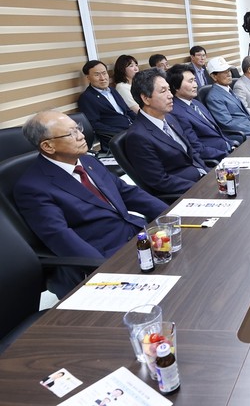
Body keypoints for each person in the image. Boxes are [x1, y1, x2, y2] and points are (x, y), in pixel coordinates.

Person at [14, 110, 167, 297]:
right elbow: (60, 236)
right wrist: (105, 271)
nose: (81, 136)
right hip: (106, 256)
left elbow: (127, 192)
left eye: (78, 128)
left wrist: (169, 214)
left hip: (139, 236)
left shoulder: (88, 161)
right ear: (48, 146)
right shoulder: (32, 187)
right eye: (71, 133)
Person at [125, 69, 208, 196]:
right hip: (186, 192)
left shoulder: (170, 118)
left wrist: (210, 173)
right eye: (163, 91)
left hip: (202, 178)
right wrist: (201, 187)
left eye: (169, 89)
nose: (170, 95)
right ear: (146, 98)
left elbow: (191, 152)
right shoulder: (137, 136)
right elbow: (160, 181)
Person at [167, 63, 236, 161]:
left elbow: (215, 131)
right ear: (175, 87)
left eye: (195, 80)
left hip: (227, 147)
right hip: (217, 157)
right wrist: (226, 154)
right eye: (190, 81)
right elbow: (197, 148)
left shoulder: (196, 103)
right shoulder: (176, 112)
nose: (195, 85)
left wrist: (232, 145)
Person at [77, 59, 135, 151]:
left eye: (104, 73)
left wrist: (142, 122)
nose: (102, 78)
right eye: (97, 75)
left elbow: (127, 111)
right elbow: (94, 124)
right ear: (88, 78)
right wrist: (122, 133)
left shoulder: (113, 90)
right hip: (118, 137)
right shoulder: (87, 97)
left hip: (132, 129)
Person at [203, 57, 250, 137]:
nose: (229, 74)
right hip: (243, 134)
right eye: (224, 72)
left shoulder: (228, 90)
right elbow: (227, 123)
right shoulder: (214, 97)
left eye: (228, 70)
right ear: (214, 77)